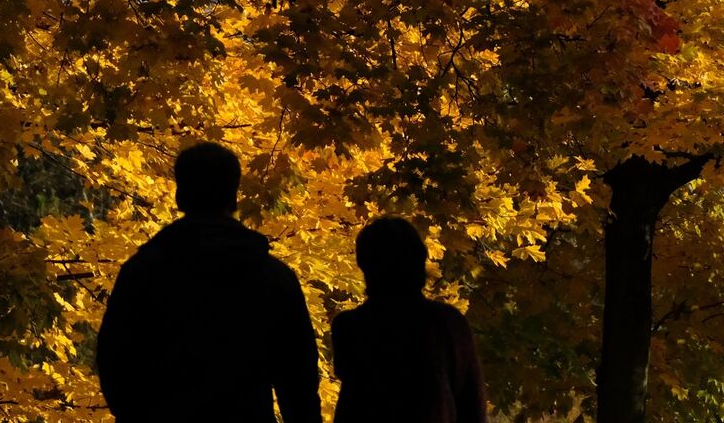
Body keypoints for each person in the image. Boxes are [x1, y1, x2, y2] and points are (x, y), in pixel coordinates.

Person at [96, 141, 321, 422]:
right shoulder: (274, 277)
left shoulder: (142, 272)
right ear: (234, 197)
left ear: (179, 197)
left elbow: (114, 360)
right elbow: (298, 377)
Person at [331, 216, 487, 423]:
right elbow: (471, 401)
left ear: (364, 264)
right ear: (419, 260)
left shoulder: (349, 327)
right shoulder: (447, 323)